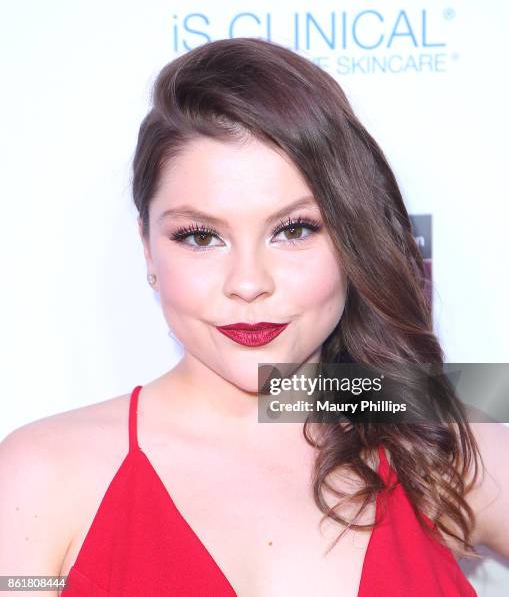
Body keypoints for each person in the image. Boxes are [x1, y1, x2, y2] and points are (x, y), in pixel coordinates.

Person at [1, 36, 508, 597]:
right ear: (148, 249)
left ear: (351, 242)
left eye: (294, 230)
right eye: (200, 236)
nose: (248, 283)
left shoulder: (438, 438)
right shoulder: (42, 475)